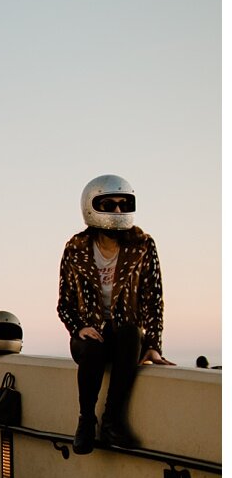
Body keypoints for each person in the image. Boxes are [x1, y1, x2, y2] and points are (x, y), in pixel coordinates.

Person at [57, 177, 169, 454]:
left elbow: (153, 299)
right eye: (109, 205)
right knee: (93, 348)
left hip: (123, 339)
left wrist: (153, 344)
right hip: (89, 337)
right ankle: (86, 421)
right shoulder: (76, 248)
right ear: (91, 206)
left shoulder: (143, 245)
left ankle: (112, 421)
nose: (118, 212)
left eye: (123, 205)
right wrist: (79, 327)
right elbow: (64, 303)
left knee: (131, 332)